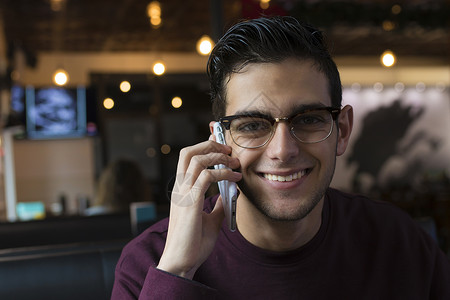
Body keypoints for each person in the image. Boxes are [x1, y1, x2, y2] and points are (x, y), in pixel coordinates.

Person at [111, 16, 450, 299]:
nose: (283, 150)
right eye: (253, 125)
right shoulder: (150, 263)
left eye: (309, 119)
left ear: (342, 130)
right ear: (218, 139)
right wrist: (177, 272)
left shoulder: (401, 244)